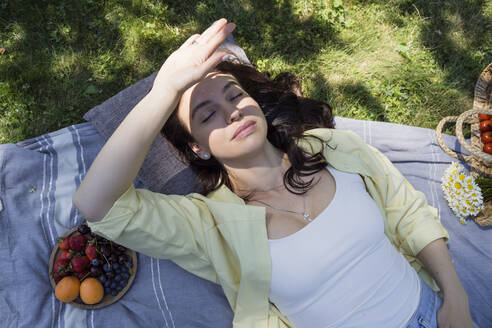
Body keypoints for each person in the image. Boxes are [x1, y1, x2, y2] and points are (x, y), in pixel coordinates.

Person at [72, 18, 474, 328]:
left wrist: (455, 297)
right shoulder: (207, 223)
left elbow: (407, 214)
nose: (232, 111)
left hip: (433, 310)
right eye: (208, 115)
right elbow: (97, 205)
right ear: (198, 147)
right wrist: (164, 92)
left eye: (235, 95)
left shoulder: (334, 148)